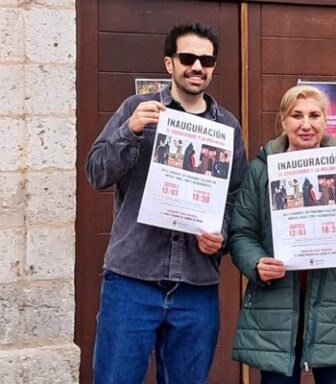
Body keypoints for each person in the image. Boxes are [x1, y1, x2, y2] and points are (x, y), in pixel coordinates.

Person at [85, 22, 248, 384]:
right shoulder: (137, 108)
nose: (197, 67)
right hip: (132, 280)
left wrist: (219, 232)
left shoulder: (228, 128)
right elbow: (96, 172)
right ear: (169, 63)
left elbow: (235, 195)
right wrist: (129, 130)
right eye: (187, 57)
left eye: (206, 60)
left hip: (196, 284)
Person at [228, 85, 336, 383]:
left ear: (326, 120)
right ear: (283, 121)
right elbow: (240, 233)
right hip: (275, 304)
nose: (306, 124)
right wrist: (257, 263)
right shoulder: (261, 169)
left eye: (314, 115)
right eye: (296, 115)